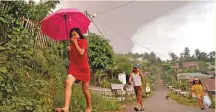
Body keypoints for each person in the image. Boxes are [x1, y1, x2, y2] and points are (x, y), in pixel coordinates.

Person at [55, 28, 92, 112]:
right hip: (74, 68)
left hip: (84, 69)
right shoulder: (71, 45)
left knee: (85, 90)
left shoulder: (83, 41)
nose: (73, 37)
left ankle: (89, 107)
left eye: (75, 34)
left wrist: (75, 44)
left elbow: (81, 53)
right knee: (68, 82)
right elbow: (70, 59)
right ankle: (66, 108)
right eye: (72, 36)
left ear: (79, 34)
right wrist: (68, 52)